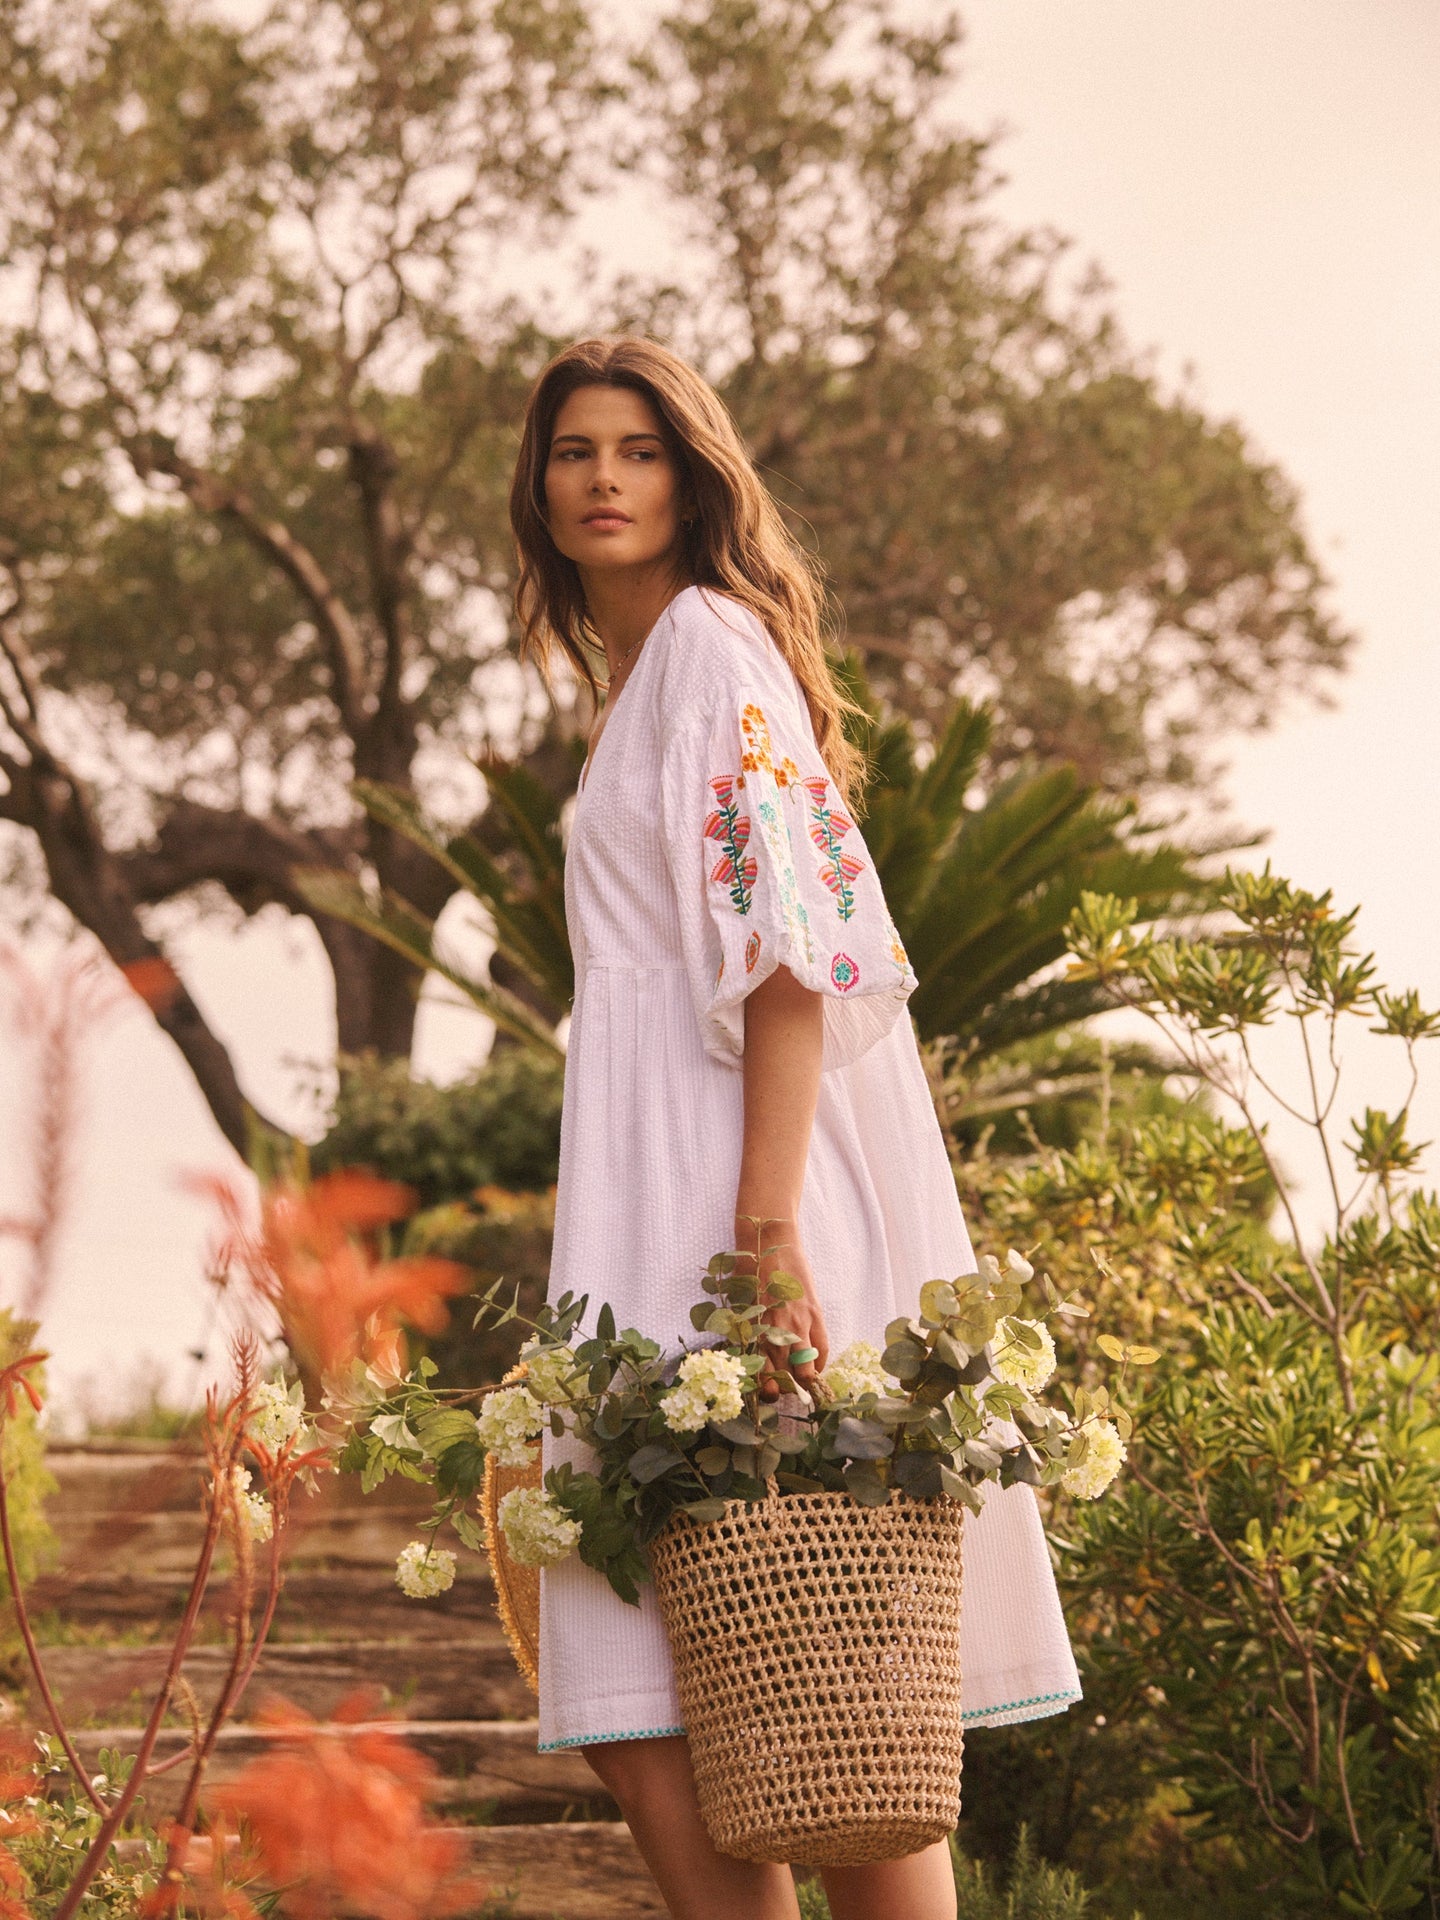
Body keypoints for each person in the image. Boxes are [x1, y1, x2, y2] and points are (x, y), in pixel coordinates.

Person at [507, 337, 1080, 1920]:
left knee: (831, 1681)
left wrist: (763, 1237)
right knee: (661, 1704)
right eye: (574, 452)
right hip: (647, 1197)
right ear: (539, 488)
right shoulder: (654, 675)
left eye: (636, 450)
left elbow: (794, 961)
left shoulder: (709, 648)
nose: (603, 479)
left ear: (692, 478)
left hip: (734, 1195)